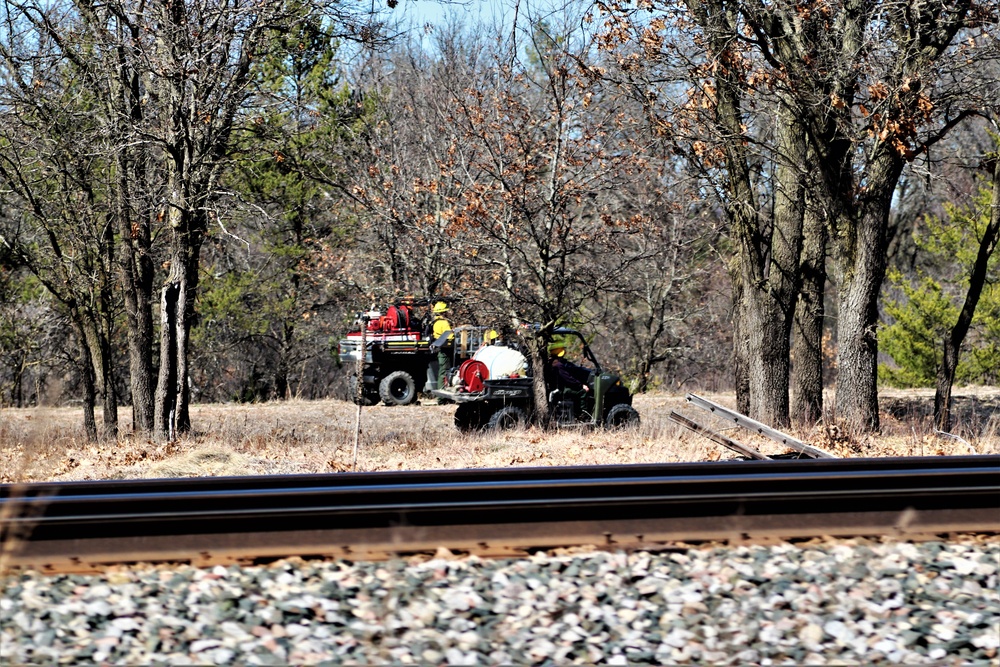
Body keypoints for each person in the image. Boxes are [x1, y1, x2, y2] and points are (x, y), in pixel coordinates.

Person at [430, 301, 453, 389]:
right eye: (445, 311)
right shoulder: (444, 323)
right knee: (444, 372)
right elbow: (450, 336)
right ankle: (441, 396)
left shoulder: (435, 322)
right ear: (443, 312)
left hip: (440, 348)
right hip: (445, 350)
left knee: (442, 371)